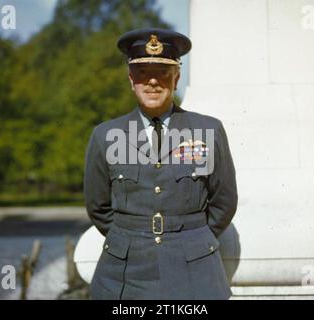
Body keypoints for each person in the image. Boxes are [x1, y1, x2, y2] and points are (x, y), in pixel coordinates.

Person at [84, 28, 238, 300]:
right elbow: (98, 206)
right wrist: (133, 235)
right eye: (143, 73)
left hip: (194, 267)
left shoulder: (208, 130)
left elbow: (224, 201)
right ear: (131, 79)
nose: (152, 81)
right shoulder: (105, 136)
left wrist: (191, 238)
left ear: (176, 78)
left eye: (162, 73)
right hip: (126, 270)